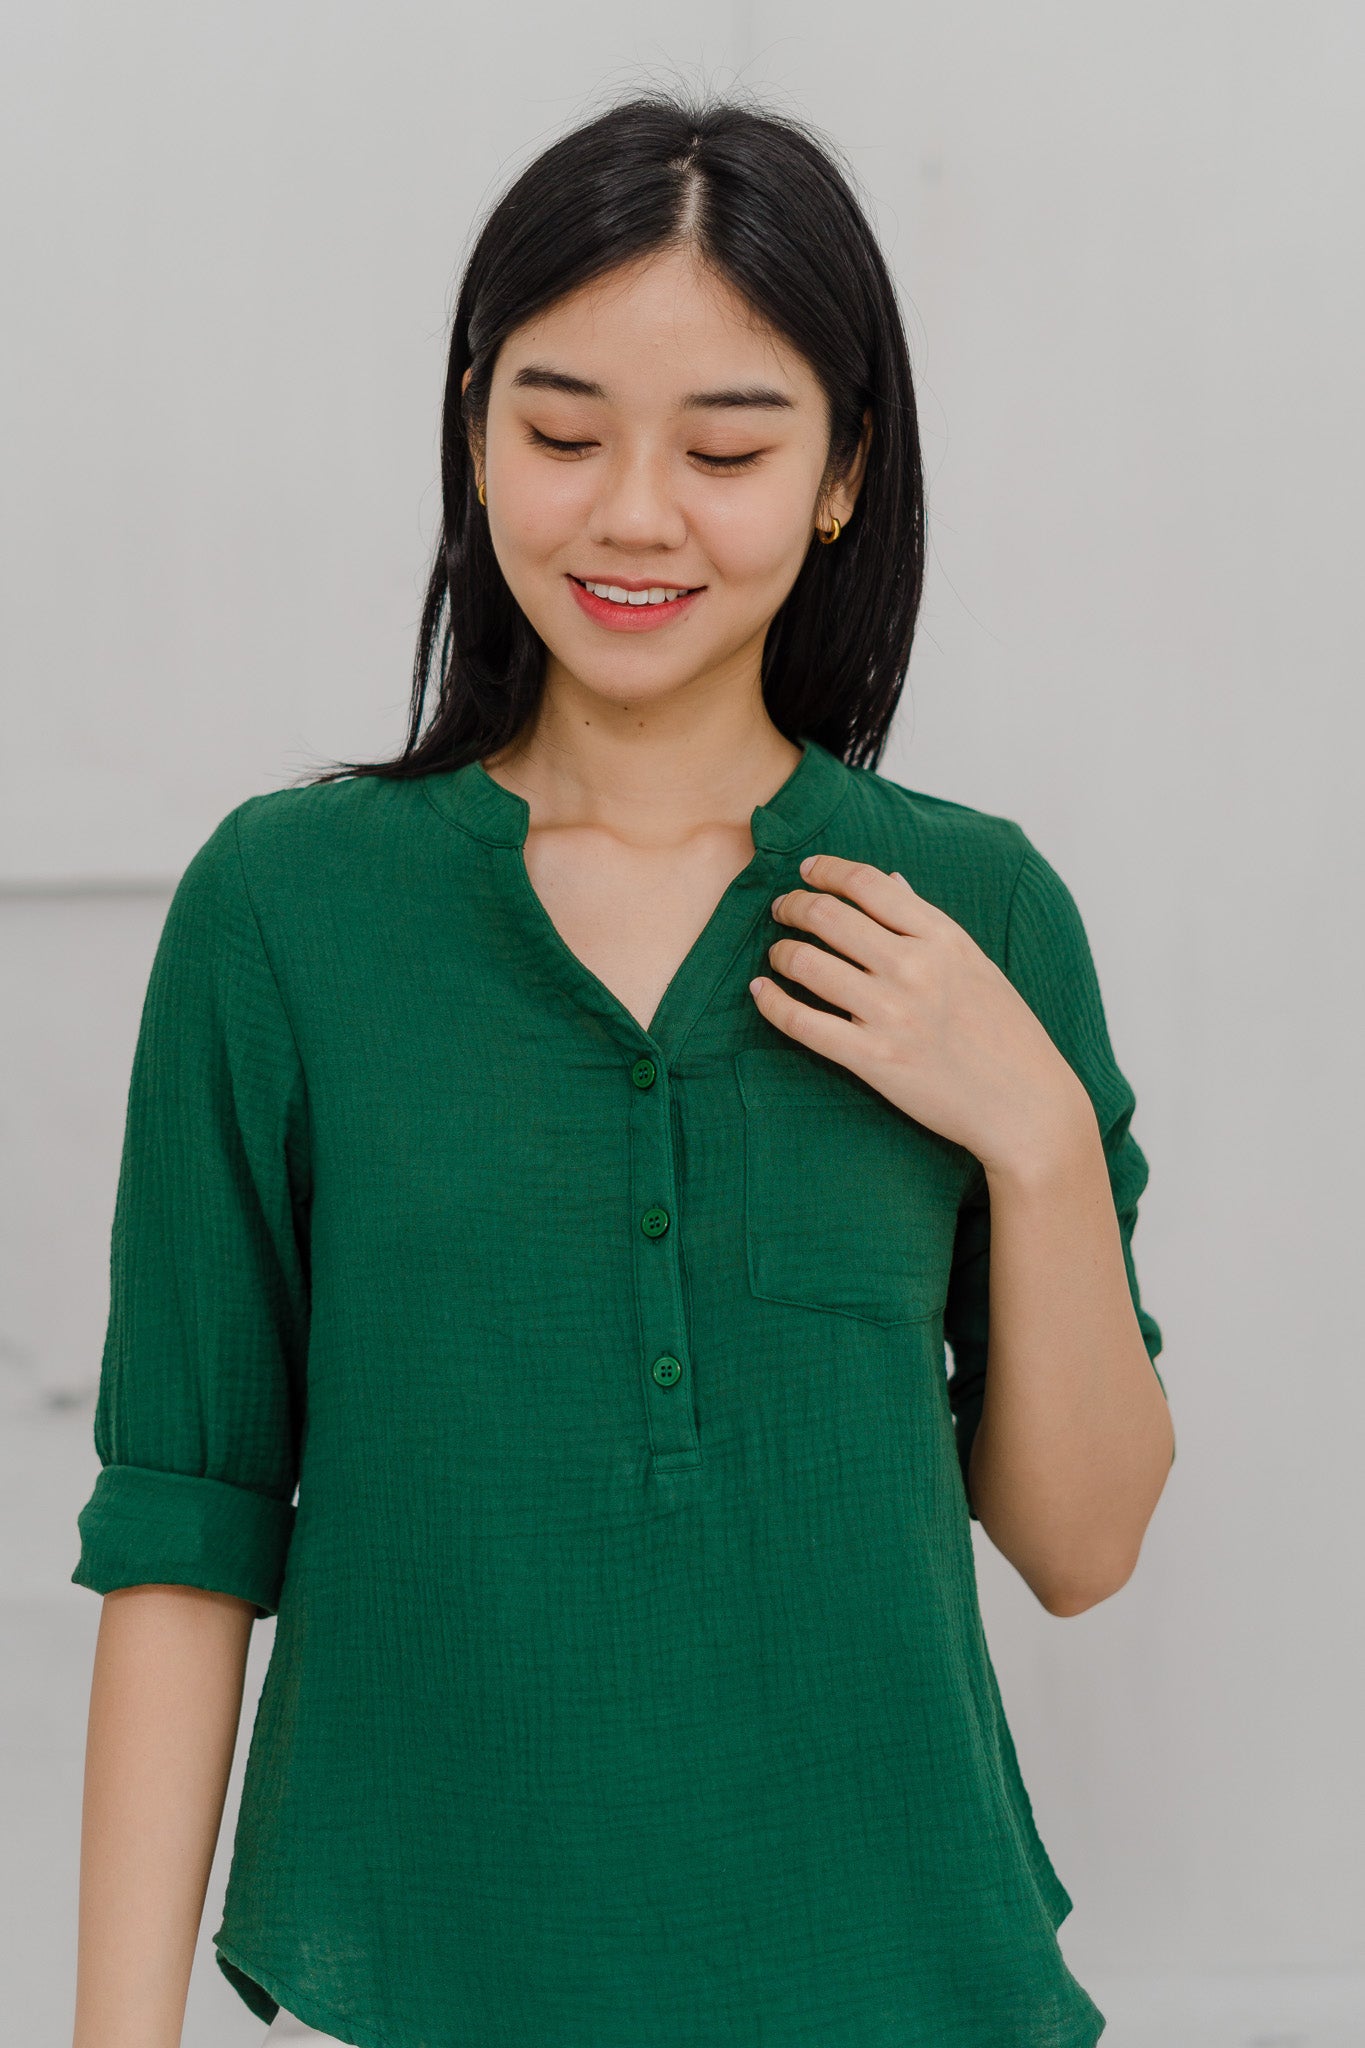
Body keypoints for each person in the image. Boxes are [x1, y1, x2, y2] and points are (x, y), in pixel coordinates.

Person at [70, 89, 1175, 2048]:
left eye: (726, 448)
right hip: (425, 1976)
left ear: (840, 470)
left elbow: (1080, 1547)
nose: (634, 514)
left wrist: (1034, 1135)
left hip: (898, 1977)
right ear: (475, 431)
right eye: (563, 433)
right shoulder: (287, 909)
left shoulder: (975, 912)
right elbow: (187, 1519)